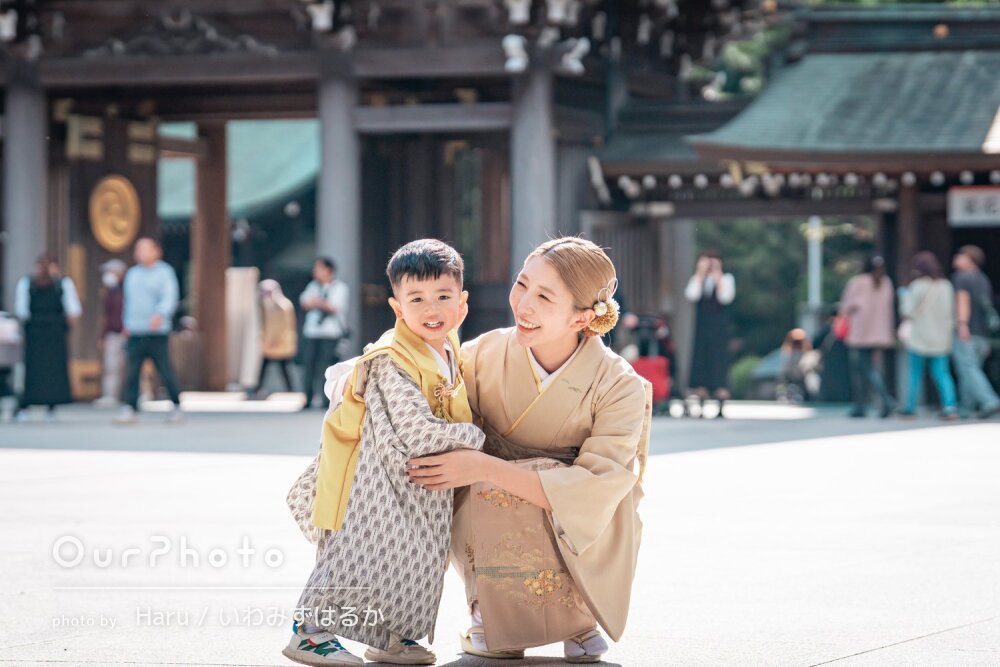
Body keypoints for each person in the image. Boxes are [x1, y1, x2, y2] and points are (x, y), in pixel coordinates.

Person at [407, 237, 652, 663]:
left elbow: (600, 482)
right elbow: (425, 390)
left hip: (570, 507)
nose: (524, 305)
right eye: (522, 285)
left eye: (544, 297)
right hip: (482, 497)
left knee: (575, 496)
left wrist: (486, 465)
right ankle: (490, 610)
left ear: (582, 319)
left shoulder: (619, 384)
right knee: (459, 473)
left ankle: (576, 617)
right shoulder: (483, 353)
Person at [285, 239, 483, 666]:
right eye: (417, 299)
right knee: (358, 554)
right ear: (397, 308)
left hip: (413, 479)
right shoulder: (392, 359)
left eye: (443, 297)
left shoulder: (448, 347)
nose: (432, 309)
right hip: (372, 478)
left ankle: (391, 635)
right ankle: (310, 631)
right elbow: (416, 430)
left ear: (462, 302)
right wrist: (480, 441)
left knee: (415, 557)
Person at [114, 238, 183, 425]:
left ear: (156, 251)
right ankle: (130, 407)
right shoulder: (133, 274)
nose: (141, 252)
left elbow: (169, 297)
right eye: (138, 249)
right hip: (136, 330)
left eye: (145, 249)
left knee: (164, 370)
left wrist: (161, 313)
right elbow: (128, 303)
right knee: (132, 371)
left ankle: (176, 406)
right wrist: (126, 324)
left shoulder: (164, 273)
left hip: (157, 331)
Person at [14, 254, 81, 422]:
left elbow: (22, 311)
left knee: (34, 372)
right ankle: (51, 406)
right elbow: (73, 311)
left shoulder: (27, 283)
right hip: (54, 332)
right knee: (52, 371)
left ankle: (27, 407)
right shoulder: (62, 283)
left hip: (36, 332)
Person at [897, 252, 958, 419]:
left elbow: (907, 311)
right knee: (942, 374)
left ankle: (910, 407)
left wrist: (903, 296)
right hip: (941, 338)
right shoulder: (946, 286)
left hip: (919, 337)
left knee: (914, 374)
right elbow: (951, 313)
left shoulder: (917, 286)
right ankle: (950, 406)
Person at [838, 256, 897, 418]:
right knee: (868, 368)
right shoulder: (886, 282)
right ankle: (861, 406)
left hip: (861, 332)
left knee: (864, 369)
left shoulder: (858, 282)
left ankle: (885, 399)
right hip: (879, 333)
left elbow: (845, 306)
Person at [951, 245, 1000, 419]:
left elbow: (962, 301)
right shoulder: (983, 279)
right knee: (970, 369)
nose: (956, 258)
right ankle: (966, 407)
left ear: (969, 259)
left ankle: (989, 401)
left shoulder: (961, 277)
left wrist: (962, 324)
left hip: (968, 331)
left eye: (960, 255)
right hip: (983, 332)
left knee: (968, 369)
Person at [684, 249, 734, 417]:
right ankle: (701, 399)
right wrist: (700, 273)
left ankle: (720, 401)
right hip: (702, 327)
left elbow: (725, 297)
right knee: (701, 361)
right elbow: (691, 295)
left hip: (718, 328)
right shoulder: (698, 280)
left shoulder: (726, 279)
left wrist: (717, 274)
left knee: (719, 361)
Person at [299, 257, 349, 409]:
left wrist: (317, 302)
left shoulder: (340, 287)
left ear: (328, 270)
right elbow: (304, 302)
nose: (315, 272)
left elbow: (334, 307)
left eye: (319, 269)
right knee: (308, 366)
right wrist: (320, 303)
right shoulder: (313, 286)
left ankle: (326, 400)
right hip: (312, 332)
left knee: (325, 367)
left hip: (330, 334)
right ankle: (307, 398)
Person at [253, 279, 297, 396]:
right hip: (268, 342)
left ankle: (290, 390)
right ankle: (258, 388)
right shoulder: (264, 305)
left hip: (282, 342)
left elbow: (287, 326)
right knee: (264, 367)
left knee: (284, 368)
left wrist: (277, 340)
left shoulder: (284, 305)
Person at [95, 259, 127, 407]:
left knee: (131, 365)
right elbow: (106, 316)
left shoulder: (128, 288)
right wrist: (103, 335)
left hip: (127, 332)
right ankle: (110, 395)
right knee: (111, 365)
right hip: (112, 333)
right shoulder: (109, 291)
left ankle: (137, 394)